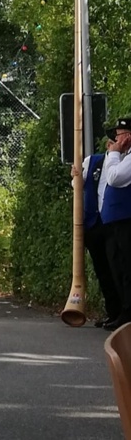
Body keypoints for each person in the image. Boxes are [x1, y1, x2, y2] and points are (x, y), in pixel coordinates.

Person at [71, 152, 121, 328]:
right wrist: (76, 176)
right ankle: (112, 312)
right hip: (93, 223)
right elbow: (77, 185)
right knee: (102, 271)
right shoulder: (93, 161)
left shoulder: (122, 162)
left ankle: (123, 313)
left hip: (113, 222)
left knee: (117, 268)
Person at [102, 118, 131, 330]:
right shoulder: (124, 157)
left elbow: (114, 178)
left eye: (119, 134)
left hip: (127, 220)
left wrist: (113, 154)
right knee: (120, 268)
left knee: (127, 268)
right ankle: (124, 311)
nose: (115, 139)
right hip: (118, 221)